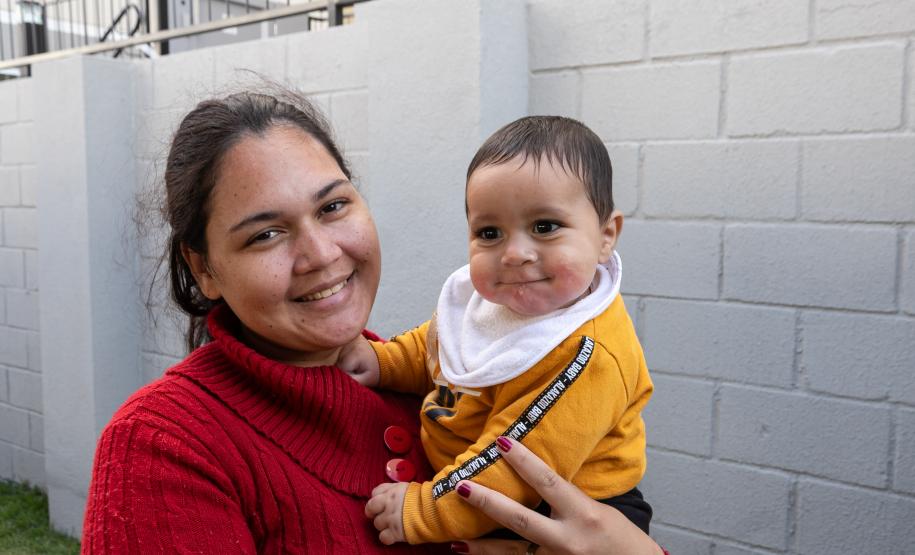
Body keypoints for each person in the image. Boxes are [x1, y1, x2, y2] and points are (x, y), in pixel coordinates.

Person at [80, 88, 663, 554]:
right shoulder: (162, 448)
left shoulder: (557, 355)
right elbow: (430, 347)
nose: (321, 254)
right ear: (204, 268)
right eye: (266, 234)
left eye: (333, 206)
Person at [339, 117, 654, 546]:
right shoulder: (500, 299)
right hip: (477, 491)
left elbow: (513, 460)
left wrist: (424, 510)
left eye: (545, 226)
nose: (515, 254)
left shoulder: (586, 353)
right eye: (490, 233)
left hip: (556, 513)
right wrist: (383, 361)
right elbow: (442, 347)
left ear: (605, 235)